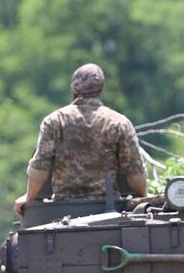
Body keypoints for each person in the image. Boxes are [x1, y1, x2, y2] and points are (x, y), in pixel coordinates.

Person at [13, 63, 148, 216]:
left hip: (62, 211)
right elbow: (135, 170)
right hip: (108, 210)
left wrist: (28, 197)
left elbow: (40, 166)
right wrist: (142, 196)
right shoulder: (119, 123)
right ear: (100, 89)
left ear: (75, 87)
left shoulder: (55, 121)